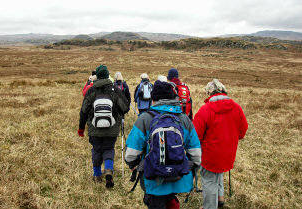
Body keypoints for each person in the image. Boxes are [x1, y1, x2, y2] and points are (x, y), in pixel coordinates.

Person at [125, 80, 201, 209]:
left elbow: (131, 153)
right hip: (179, 176)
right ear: (173, 98)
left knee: (156, 202)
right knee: (170, 198)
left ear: (153, 100)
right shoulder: (184, 119)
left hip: (153, 177)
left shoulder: (144, 118)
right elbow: (196, 152)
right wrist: (193, 169)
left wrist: (133, 165)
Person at [193, 79, 248, 209]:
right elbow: (243, 130)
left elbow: (196, 136)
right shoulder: (236, 107)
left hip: (210, 154)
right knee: (219, 173)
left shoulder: (205, 110)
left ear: (209, 93)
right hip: (228, 152)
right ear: (223, 91)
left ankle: (209, 207)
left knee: (209, 180)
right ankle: (220, 198)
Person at [78, 65, 130, 188]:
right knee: (108, 149)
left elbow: (84, 110)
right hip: (111, 129)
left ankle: (97, 176)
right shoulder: (114, 90)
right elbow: (125, 107)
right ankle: (108, 170)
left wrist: (81, 128)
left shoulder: (91, 90)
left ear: (97, 76)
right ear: (107, 75)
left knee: (96, 149)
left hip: (94, 129)